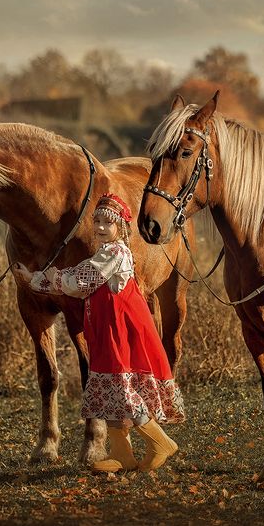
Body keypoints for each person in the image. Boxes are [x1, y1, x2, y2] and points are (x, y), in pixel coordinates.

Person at [15, 193, 185, 473]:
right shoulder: (105, 252)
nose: (101, 227)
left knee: (121, 389)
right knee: (110, 391)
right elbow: (79, 276)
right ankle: (122, 454)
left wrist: (36, 279)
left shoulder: (115, 253)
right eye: (97, 221)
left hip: (119, 328)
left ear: (121, 227)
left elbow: (80, 281)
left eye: (108, 222)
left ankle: (160, 443)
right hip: (106, 329)